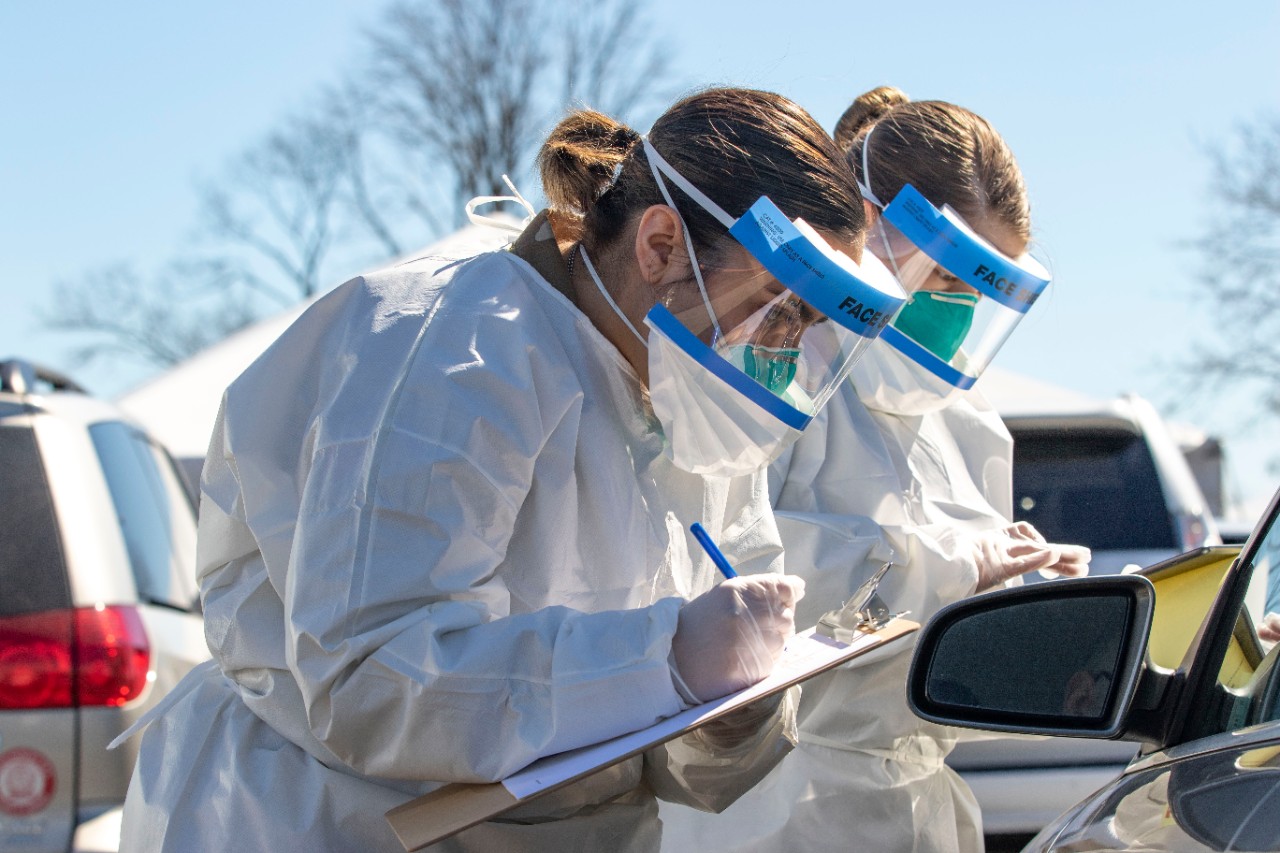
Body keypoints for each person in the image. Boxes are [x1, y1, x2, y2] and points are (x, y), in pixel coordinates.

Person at [115, 87, 908, 852]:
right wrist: (664, 657)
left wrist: (737, 716)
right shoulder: (458, 346)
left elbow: (671, 747)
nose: (779, 351)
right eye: (773, 304)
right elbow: (371, 682)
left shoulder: (691, 402)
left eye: (802, 326)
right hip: (322, 822)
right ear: (661, 244)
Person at [659, 86, 1091, 852]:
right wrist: (948, 569)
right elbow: (715, 567)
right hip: (775, 806)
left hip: (915, 802)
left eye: (977, 290)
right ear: (872, 229)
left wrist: (1030, 607)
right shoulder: (775, 366)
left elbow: (942, 677)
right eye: (946, 277)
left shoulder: (969, 420)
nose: (956, 308)